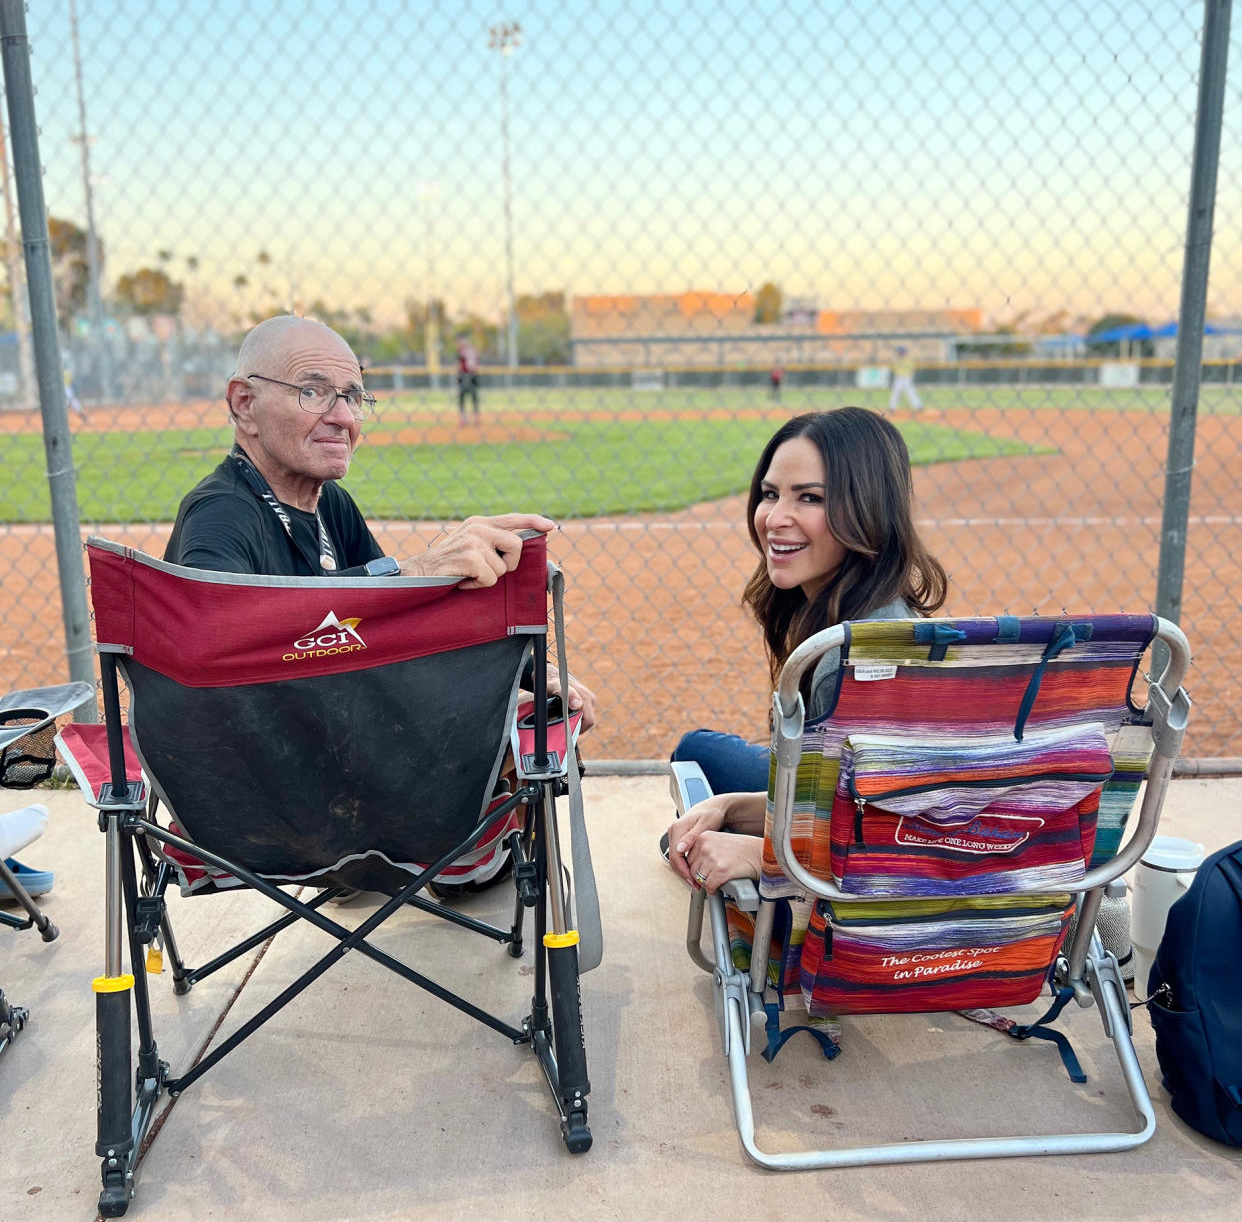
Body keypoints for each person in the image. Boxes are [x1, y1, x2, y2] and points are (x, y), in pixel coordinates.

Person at [165, 314, 595, 726]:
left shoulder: (330, 503)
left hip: (327, 730)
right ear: (244, 404)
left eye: (352, 397)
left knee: (524, 724)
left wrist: (530, 671)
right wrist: (415, 569)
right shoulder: (220, 513)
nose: (344, 418)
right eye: (312, 392)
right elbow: (218, 640)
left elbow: (392, 618)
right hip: (264, 768)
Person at [664, 407, 947, 893]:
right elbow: (838, 799)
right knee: (699, 758)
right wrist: (729, 807)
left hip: (857, 888)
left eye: (810, 498)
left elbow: (895, 839)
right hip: (845, 806)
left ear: (868, 510)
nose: (775, 518)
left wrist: (761, 853)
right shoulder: (872, 609)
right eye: (770, 494)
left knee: (686, 843)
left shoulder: (851, 657)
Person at [455, 330, 481, 423]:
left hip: (465, 375)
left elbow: (458, 365)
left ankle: (465, 418)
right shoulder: (473, 350)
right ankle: (475, 418)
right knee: (473, 397)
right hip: (473, 375)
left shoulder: (462, 352)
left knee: (464, 397)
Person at [888, 344, 922, 412]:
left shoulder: (908, 360)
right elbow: (894, 367)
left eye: (900, 352)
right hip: (898, 378)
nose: (899, 353)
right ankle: (892, 407)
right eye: (899, 352)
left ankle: (918, 406)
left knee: (911, 392)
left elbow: (911, 368)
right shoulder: (896, 360)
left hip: (907, 378)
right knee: (896, 393)